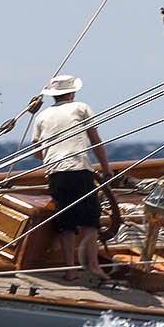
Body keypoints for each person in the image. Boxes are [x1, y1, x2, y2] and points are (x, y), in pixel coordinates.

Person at [31, 74, 112, 282]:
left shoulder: (41, 116)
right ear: (72, 92)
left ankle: (70, 269)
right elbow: (95, 141)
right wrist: (106, 168)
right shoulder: (81, 108)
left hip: (56, 173)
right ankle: (93, 267)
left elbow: (36, 152)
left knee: (65, 223)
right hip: (79, 169)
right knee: (90, 222)